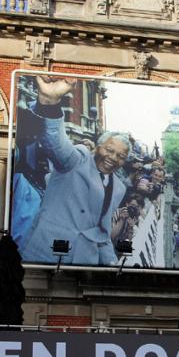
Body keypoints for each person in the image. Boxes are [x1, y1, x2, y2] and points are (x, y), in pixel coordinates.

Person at [20, 77, 131, 266]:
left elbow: (101, 234)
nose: (113, 158)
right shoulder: (77, 159)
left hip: (82, 263)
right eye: (109, 150)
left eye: (120, 156)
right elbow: (55, 144)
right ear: (97, 147)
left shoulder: (119, 188)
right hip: (44, 255)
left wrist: (112, 264)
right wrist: (48, 102)